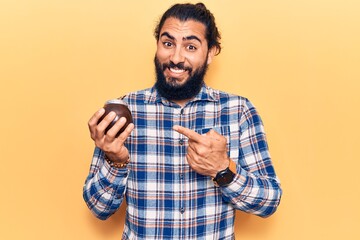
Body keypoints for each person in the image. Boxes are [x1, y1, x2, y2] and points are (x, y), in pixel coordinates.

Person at [83, 2, 282, 239]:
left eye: (190, 46)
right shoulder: (126, 110)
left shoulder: (238, 111)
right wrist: (115, 160)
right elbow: (99, 208)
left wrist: (222, 170)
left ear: (210, 53)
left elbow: (269, 202)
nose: (176, 57)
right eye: (168, 43)